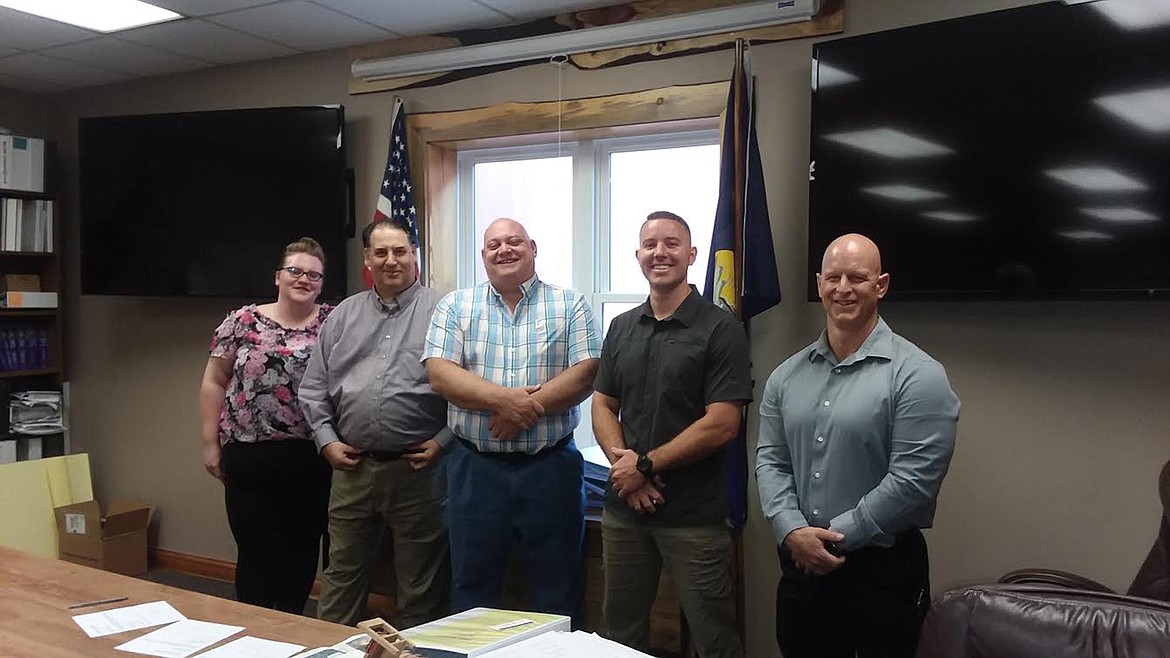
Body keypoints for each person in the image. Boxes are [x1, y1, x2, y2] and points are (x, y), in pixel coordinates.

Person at [756, 233, 960, 658]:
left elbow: (912, 482)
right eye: (833, 277)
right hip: (800, 566)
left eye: (857, 277)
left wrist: (832, 539)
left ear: (880, 285)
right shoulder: (785, 376)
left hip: (881, 574)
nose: (843, 288)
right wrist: (791, 529)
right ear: (818, 284)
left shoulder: (918, 375)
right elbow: (771, 460)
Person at [423, 217, 600, 623]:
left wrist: (521, 414)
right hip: (475, 470)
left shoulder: (569, 304)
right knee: (472, 589)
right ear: (483, 256)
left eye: (514, 242)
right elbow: (439, 372)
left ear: (533, 247)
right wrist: (505, 402)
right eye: (493, 245)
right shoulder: (456, 305)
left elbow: (587, 371)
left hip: (550, 469)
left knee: (558, 589)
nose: (504, 250)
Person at [592, 211, 751, 658]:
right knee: (621, 636)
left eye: (672, 243)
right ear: (639, 255)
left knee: (713, 638)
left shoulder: (721, 329)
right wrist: (626, 467)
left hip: (694, 517)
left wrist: (645, 466)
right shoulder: (621, 327)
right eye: (650, 244)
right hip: (625, 513)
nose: (660, 252)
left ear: (692, 254)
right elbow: (602, 404)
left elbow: (722, 422)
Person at [299, 218, 451, 628]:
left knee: (421, 584)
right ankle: (328, 651)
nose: (390, 261)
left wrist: (443, 441)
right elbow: (313, 388)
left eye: (399, 251)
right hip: (352, 470)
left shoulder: (445, 313)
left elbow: (469, 388)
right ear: (367, 258)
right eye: (380, 252)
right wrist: (326, 440)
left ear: (414, 254)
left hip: (419, 472)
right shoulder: (343, 315)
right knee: (341, 576)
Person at [198, 237, 334, 614]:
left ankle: (290, 630)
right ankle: (256, 635)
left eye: (313, 274)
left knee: (302, 552)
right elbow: (214, 381)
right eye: (295, 271)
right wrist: (211, 443)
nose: (303, 279)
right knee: (256, 553)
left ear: (322, 283)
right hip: (249, 456)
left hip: (312, 456)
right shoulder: (242, 321)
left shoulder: (334, 321)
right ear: (278, 277)